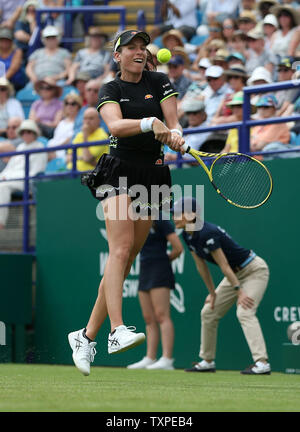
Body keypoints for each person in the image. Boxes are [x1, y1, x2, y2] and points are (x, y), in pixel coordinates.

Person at [67, 29, 185, 376]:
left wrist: (176, 135)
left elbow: (173, 122)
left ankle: (86, 336)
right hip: (118, 172)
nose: (138, 51)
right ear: (117, 56)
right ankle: (116, 330)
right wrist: (150, 123)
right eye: (130, 47)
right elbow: (116, 126)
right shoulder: (111, 89)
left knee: (128, 255)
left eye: (142, 47)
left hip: (153, 174)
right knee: (119, 251)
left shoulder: (160, 80)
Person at [172, 196, 271, 375]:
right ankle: (207, 361)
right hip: (234, 274)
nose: (174, 217)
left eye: (178, 213)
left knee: (244, 311)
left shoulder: (207, 232)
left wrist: (239, 292)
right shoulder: (188, 235)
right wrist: (212, 292)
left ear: (192, 214)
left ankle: (262, 363)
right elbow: (201, 266)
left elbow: (223, 265)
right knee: (208, 312)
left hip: (254, 270)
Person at [127, 216, 183, 370]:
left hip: (160, 270)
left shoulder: (161, 221)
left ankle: (167, 359)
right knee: (148, 318)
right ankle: (150, 358)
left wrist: (163, 261)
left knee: (161, 315)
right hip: (145, 269)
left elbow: (178, 248)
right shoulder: (136, 222)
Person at [0, 119, 47, 229]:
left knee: (2, 187)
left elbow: (34, 172)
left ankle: (1, 223)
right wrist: (4, 176)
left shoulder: (39, 147)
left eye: (29, 132)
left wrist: (8, 178)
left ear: (34, 133)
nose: (26, 134)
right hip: (13, 179)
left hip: (28, 182)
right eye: (23, 132)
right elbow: (9, 168)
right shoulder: (20, 147)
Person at [66, 107, 108, 172]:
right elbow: (68, 158)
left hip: (89, 175)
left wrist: (85, 137)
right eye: (85, 118)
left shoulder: (102, 136)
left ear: (98, 120)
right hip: (70, 172)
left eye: (91, 118)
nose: (87, 121)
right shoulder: (79, 135)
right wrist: (80, 158)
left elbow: (87, 158)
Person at [47, 92, 82, 162]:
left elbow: (72, 138)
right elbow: (56, 138)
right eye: (67, 103)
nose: (69, 106)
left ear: (78, 106)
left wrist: (56, 148)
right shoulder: (61, 123)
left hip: (67, 152)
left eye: (73, 104)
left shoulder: (79, 123)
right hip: (54, 150)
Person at [0, 27, 26, 91]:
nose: (5, 42)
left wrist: (1, 81)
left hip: (14, 83)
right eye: (2, 39)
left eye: (7, 40)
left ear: (11, 41)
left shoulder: (17, 51)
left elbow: (13, 69)